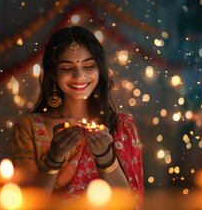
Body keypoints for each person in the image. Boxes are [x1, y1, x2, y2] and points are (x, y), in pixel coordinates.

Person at [10, 26, 143, 208]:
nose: (79, 76)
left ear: (100, 70)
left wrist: (105, 156)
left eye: (89, 66)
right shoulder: (29, 128)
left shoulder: (122, 127)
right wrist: (54, 158)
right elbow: (27, 205)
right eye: (67, 68)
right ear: (54, 75)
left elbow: (128, 205)